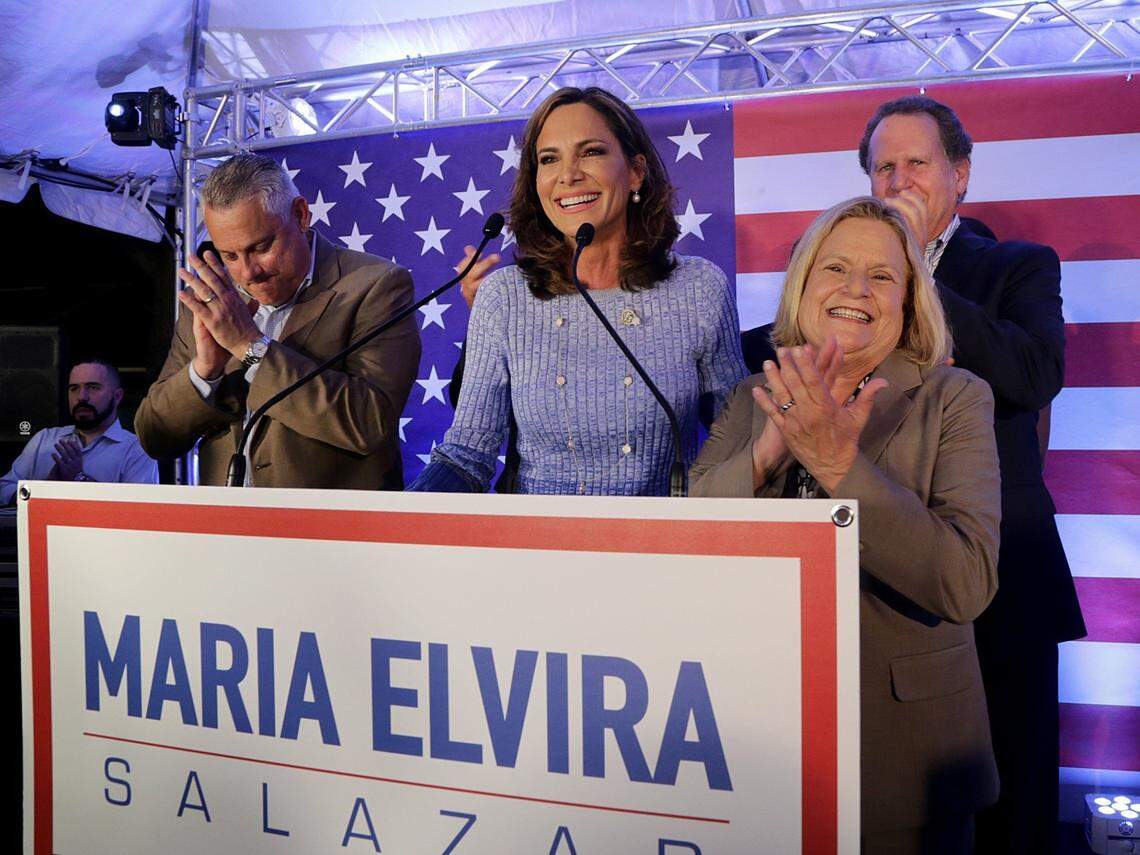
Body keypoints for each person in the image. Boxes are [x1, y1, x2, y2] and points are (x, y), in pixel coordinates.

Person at [691, 197, 1000, 853]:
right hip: (754, 753)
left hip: (902, 770)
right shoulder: (752, 395)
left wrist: (836, 461)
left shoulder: (955, 398)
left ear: (910, 300)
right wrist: (769, 449)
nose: (857, 288)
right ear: (803, 287)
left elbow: (965, 581)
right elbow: (690, 537)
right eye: (836, 267)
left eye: (882, 276)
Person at [859, 95, 1085, 855]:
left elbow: (1033, 372)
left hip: (1004, 569)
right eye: (883, 166)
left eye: (916, 163)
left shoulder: (1014, 265)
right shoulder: (847, 274)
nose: (898, 180)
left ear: (959, 175)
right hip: (884, 573)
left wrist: (915, 273)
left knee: (1014, 802)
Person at [410, 86, 746, 495]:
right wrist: (399, 524)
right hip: (539, 545)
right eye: (549, 159)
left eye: (591, 152)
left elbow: (735, 441)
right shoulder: (505, 296)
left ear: (636, 171)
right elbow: (466, 455)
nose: (568, 175)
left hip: (664, 543)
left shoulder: (699, 288)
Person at [135, 154, 420, 489]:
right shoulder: (213, 301)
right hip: (229, 531)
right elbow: (155, 438)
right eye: (230, 256)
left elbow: (368, 424)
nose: (248, 272)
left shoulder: (376, 285)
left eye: (261, 247)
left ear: (300, 215)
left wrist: (249, 345)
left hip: (333, 532)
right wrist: (203, 371)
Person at [1, 359, 157, 504]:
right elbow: (4, 488)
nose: (81, 397)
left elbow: (139, 511)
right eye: (74, 388)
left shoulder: (137, 450)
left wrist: (79, 478)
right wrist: (42, 489)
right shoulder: (44, 439)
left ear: (117, 396)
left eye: (93, 387)